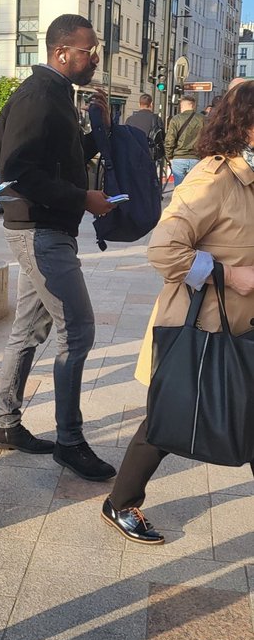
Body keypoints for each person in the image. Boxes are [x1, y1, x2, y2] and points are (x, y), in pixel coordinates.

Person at [102, 81, 254, 543]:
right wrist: (230, 274)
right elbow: (164, 250)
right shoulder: (213, 178)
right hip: (206, 323)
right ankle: (120, 502)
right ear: (246, 125)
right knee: (169, 417)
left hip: (243, 322)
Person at [0, 13, 117, 482]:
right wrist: (83, 198)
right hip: (40, 231)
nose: (95, 56)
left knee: (28, 329)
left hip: (44, 228)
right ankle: (70, 441)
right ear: (63, 52)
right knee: (78, 331)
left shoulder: (58, 95)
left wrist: (96, 131)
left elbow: (56, 160)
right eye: (89, 49)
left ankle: (4, 424)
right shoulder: (39, 95)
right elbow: (18, 173)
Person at [164, 94, 204, 186]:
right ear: (193, 105)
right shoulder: (202, 119)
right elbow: (207, 138)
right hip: (196, 157)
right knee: (194, 188)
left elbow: (169, 140)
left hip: (179, 157)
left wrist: (169, 156)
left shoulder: (176, 119)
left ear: (182, 106)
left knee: (179, 189)